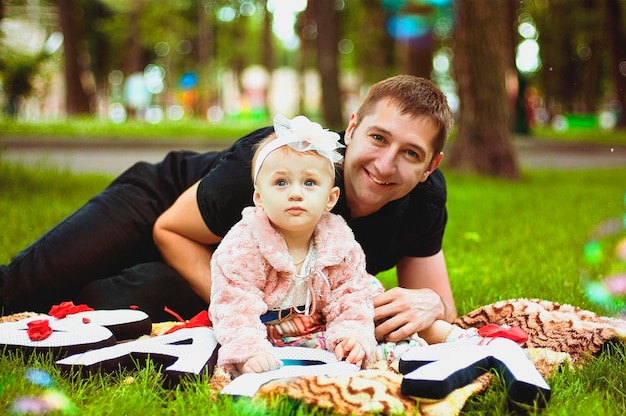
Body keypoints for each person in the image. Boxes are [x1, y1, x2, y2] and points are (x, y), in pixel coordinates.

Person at [0, 75, 456, 343]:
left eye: (410, 154)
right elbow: (171, 230)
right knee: (28, 286)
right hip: (163, 211)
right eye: (378, 138)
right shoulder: (280, 162)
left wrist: (430, 304)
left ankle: (105, 286)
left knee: (114, 308)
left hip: (238, 265)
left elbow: (440, 317)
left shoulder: (424, 201)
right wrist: (262, 317)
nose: (384, 164)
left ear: (430, 166)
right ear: (352, 127)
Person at [210, 115, 378, 373]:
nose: (296, 193)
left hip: (317, 327)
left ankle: (444, 336)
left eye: (309, 183)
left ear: (331, 198)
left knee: (371, 295)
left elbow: (349, 295)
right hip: (264, 332)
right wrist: (249, 351)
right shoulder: (245, 244)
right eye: (281, 182)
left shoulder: (340, 244)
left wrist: (351, 335)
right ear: (259, 197)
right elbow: (235, 304)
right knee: (257, 359)